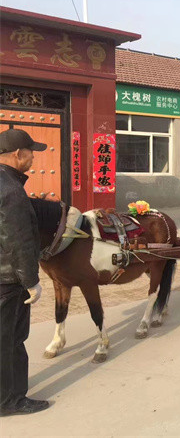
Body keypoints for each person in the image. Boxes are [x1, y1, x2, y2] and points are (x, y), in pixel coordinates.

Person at [0, 128, 50, 416]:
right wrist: (31, 282)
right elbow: (19, 240)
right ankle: (10, 401)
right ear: (19, 155)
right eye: (32, 152)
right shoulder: (11, 190)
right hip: (9, 281)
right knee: (10, 341)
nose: (34, 158)